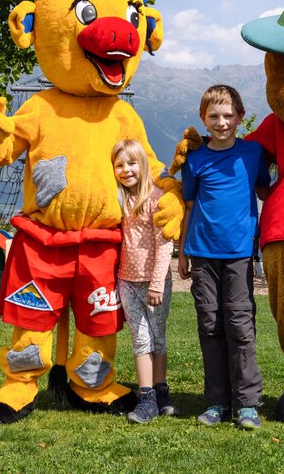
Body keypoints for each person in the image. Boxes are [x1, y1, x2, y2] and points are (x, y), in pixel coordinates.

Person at [177, 85, 270, 430]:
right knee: (210, 326)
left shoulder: (253, 154)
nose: (222, 122)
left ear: (240, 118)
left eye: (229, 115)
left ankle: (246, 404)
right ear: (203, 118)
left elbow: (265, 190)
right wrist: (183, 251)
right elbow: (188, 206)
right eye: (214, 116)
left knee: (240, 326)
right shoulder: (195, 159)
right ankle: (217, 401)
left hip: (240, 255)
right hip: (201, 253)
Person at [112, 138, 177, 424]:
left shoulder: (156, 199)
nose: (126, 170)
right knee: (140, 340)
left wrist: (156, 283)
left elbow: (164, 244)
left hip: (154, 283)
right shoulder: (118, 199)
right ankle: (147, 396)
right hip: (127, 282)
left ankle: (161, 391)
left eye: (131, 163)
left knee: (157, 338)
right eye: (119, 165)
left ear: (143, 164)